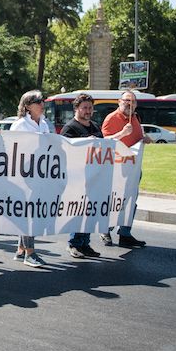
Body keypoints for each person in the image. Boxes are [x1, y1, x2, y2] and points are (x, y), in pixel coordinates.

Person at [100, 90, 152, 247]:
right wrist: (122, 133)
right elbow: (104, 141)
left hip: (133, 168)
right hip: (116, 168)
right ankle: (105, 229)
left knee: (131, 200)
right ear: (119, 102)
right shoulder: (111, 119)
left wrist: (144, 138)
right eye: (126, 101)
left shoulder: (135, 118)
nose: (130, 104)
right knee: (114, 200)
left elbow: (136, 140)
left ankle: (125, 233)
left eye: (133, 102)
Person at [9, 90, 52, 267]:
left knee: (32, 212)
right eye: (37, 101)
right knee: (29, 213)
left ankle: (21, 249)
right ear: (27, 106)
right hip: (23, 176)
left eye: (42, 101)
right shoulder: (20, 125)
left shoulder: (43, 124)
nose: (42, 104)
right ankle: (30, 254)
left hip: (39, 174)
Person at [60, 93, 102, 258]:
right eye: (84, 107)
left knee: (90, 211)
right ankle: (74, 243)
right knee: (78, 211)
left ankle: (85, 243)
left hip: (94, 176)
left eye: (90, 108)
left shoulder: (96, 126)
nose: (88, 111)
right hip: (77, 177)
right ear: (76, 109)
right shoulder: (70, 128)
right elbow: (64, 150)